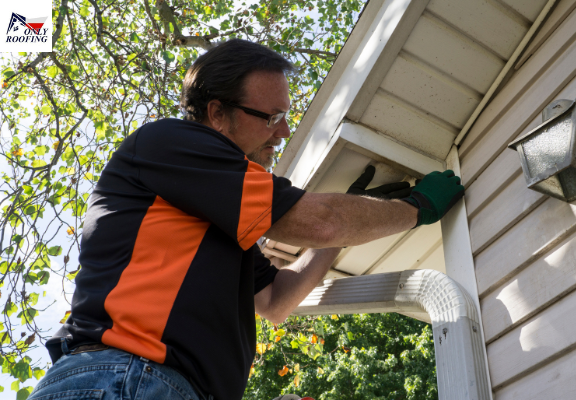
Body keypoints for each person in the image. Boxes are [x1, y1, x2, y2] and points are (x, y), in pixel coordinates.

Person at [28, 39, 464, 400]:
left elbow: (275, 300)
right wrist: (416, 208)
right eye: (271, 117)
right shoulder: (171, 143)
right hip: (122, 375)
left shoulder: (216, 220)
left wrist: (341, 233)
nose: (283, 132)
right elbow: (318, 221)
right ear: (217, 114)